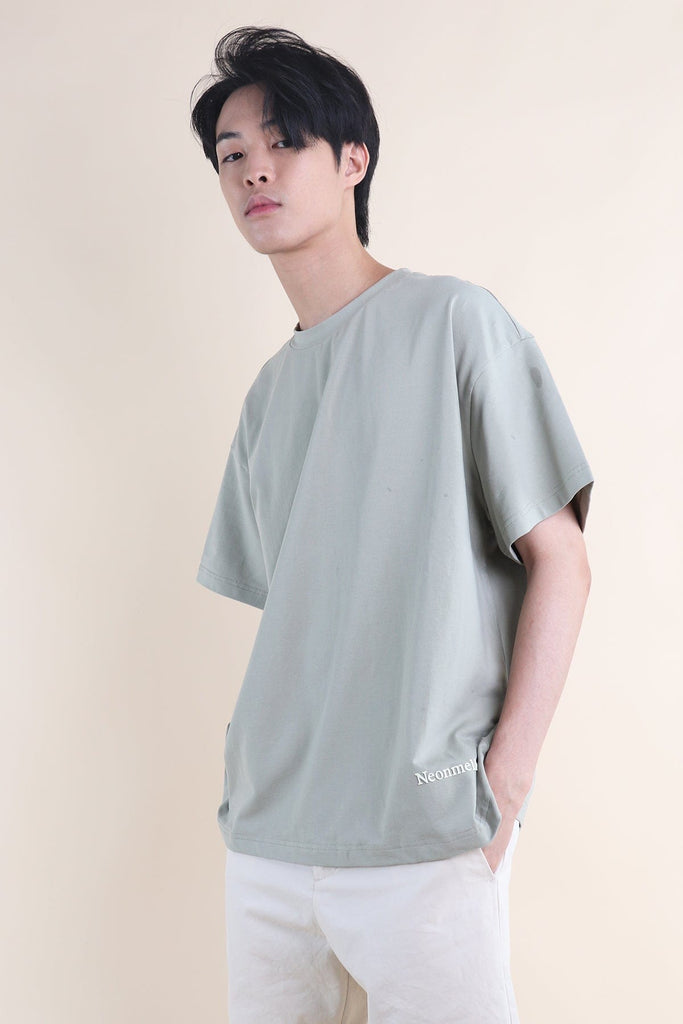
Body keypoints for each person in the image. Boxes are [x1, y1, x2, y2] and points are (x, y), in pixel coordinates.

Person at [190, 25, 594, 1024]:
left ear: (353, 158)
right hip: (270, 837)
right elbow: (300, 614)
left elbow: (561, 560)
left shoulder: (454, 321)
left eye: (283, 141)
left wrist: (501, 786)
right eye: (231, 154)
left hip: (426, 827)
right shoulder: (267, 395)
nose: (253, 170)